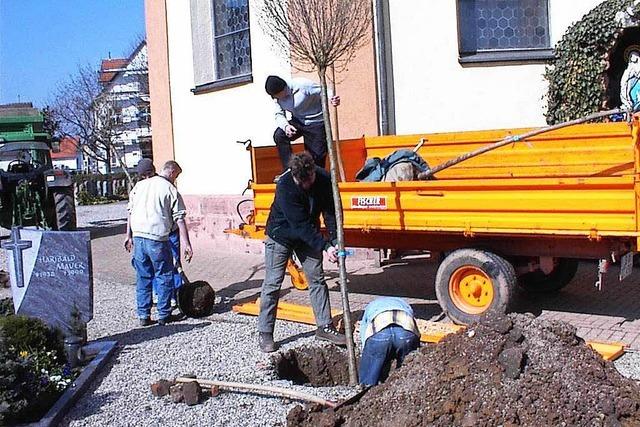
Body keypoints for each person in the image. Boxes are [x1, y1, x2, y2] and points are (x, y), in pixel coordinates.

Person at [257, 151, 346, 352]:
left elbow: (332, 212)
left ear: (313, 171)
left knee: (317, 279)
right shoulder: (285, 186)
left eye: (308, 180)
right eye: (301, 182)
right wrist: (324, 246)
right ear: (294, 175)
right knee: (273, 283)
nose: (305, 185)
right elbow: (300, 225)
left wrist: (334, 240)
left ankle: (324, 326)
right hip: (281, 234)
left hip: (308, 233)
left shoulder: (324, 179)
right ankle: (265, 332)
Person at [124, 160, 193, 326]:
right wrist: (187, 244)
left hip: (139, 238)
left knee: (143, 278)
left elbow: (130, 213)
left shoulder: (137, 187)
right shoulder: (168, 187)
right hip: (157, 239)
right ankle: (164, 314)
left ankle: (143, 315)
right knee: (163, 276)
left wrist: (128, 236)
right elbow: (180, 218)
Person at [265, 75, 341, 170]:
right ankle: (289, 169)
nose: (276, 98)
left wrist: (332, 98)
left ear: (283, 90)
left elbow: (323, 91)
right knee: (279, 135)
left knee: (317, 157)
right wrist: (286, 126)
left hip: (316, 123)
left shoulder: (303, 85)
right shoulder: (277, 98)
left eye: (277, 96)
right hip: (298, 121)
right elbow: (279, 114)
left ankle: (315, 178)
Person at [358, 297, 421, 386]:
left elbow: (364, 332)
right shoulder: (404, 304)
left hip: (380, 332)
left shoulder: (370, 306)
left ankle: (366, 389)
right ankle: (407, 387)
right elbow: (414, 327)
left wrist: (368, 351)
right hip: (405, 332)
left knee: (370, 372)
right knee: (407, 368)